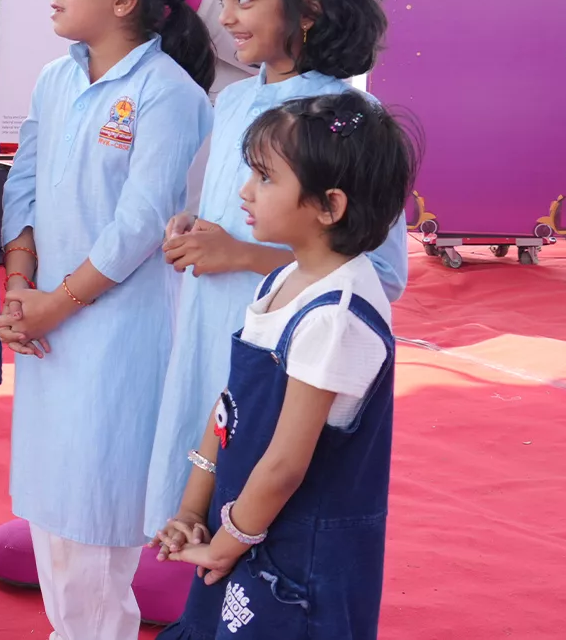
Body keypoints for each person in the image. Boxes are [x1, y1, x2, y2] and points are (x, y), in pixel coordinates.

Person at [144, 0, 407, 547]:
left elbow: (380, 273)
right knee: (198, 500)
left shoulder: (348, 117)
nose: (227, 17)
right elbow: (234, 214)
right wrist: (198, 227)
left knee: (263, 512)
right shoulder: (234, 100)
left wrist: (238, 253)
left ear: (307, 9)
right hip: (209, 335)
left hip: (288, 358)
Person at [0, 0, 214, 640]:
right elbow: (22, 185)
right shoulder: (55, 80)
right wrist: (20, 284)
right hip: (46, 325)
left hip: (117, 334)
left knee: (92, 518)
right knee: (55, 514)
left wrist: (53, 304)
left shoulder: (168, 93)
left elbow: (141, 225)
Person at [151, 93, 415, 640]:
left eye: (266, 178)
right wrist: (192, 509)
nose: (245, 191)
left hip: (297, 558)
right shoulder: (283, 280)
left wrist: (225, 544)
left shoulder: (336, 315)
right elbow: (229, 409)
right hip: (245, 528)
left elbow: (285, 465)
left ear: (329, 206)